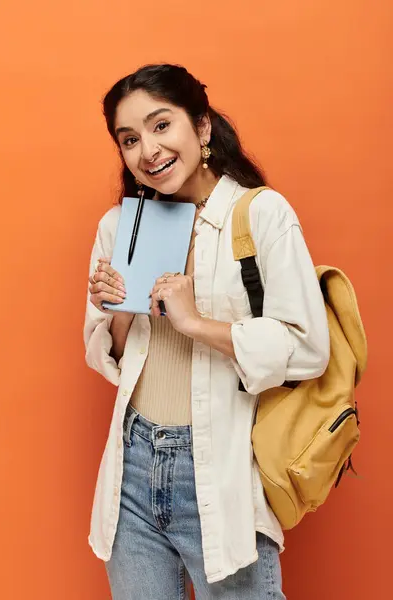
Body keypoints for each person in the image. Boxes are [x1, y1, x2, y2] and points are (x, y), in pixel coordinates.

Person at [84, 63, 330, 600]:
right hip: (133, 466)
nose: (147, 150)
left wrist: (196, 323)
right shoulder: (120, 227)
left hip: (219, 466)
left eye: (160, 125)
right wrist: (119, 308)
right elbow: (116, 358)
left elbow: (310, 347)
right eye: (129, 139)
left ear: (201, 127)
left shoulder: (261, 214)